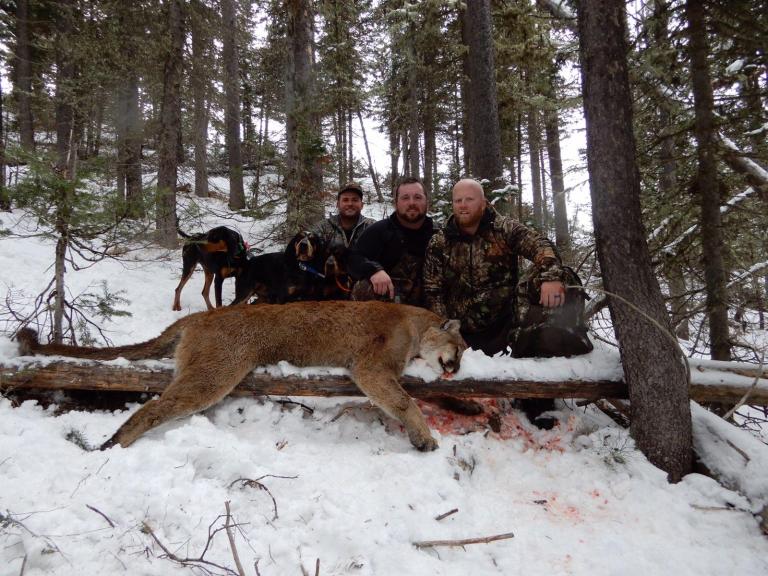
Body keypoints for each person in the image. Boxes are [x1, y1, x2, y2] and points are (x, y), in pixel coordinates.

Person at [423, 178, 569, 427]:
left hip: (505, 325)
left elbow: (540, 245)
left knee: (543, 290)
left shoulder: (504, 229)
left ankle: (537, 401)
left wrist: (550, 277)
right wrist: (449, 333)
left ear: (483, 202)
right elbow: (432, 290)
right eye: (458, 200)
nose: (463, 205)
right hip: (462, 332)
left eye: (469, 199)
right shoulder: (441, 241)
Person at [347, 176, 434, 305]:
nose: (411, 203)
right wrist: (374, 270)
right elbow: (353, 258)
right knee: (364, 286)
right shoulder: (379, 230)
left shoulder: (438, 235)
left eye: (417, 197)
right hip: (390, 304)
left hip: (429, 301)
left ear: (427, 201)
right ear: (396, 203)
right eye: (405, 198)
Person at [309, 182, 375, 250]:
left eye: (355, 200)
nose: (350, 204)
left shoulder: (373, 228)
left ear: (362, 205)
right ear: (337, 204)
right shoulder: (322, 228)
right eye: (345, 200)